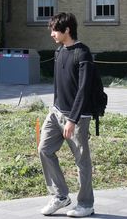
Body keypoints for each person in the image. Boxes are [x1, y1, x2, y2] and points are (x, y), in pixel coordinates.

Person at [38, 12, 95, 217]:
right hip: (56, 113)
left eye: (55, 30)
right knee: (44, 149)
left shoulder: (83, 53)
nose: (52, 34)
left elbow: (83, 89)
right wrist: (54, 109)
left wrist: (72, 119)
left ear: (67, 30)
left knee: (81, 160)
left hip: (77, 117)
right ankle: (61, 195)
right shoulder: (59, 52)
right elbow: (58, 85)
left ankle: (86, 204)